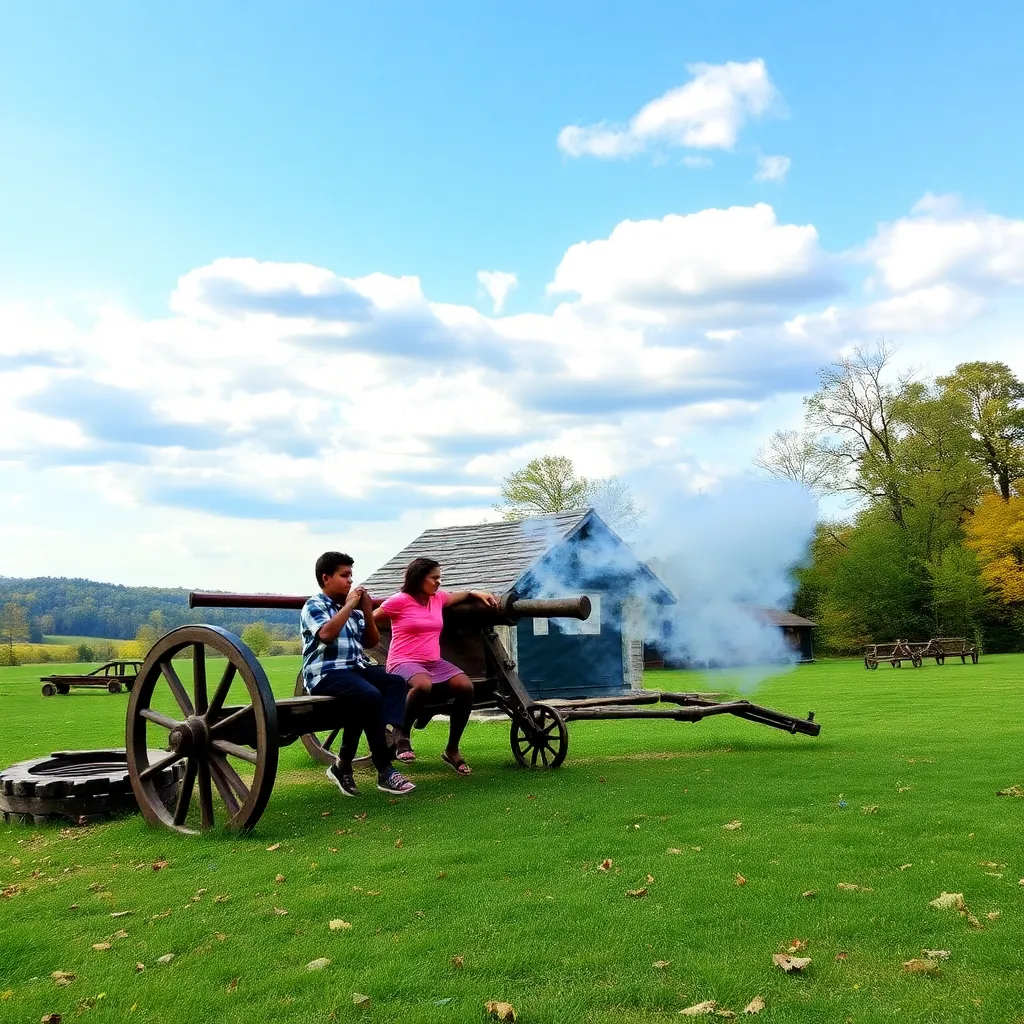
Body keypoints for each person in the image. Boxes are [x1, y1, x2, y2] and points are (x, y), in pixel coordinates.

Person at [300, 551, 415, 798]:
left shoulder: (352, 611)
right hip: (326, 674)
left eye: (351, 575)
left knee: (395, 682)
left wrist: (365, 610)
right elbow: (326, 635)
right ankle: (384, 769)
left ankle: (391, 735)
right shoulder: (314, 605)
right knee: (370, 696)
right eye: (344, 575)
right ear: (326, 578)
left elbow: (371, 641)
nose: (350, 580)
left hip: (356, 670)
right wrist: (352, 604)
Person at [374, 557, 498, 775]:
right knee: (422, 685)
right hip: (403, 660)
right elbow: (372, 619)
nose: (439, 582)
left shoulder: (437, 599)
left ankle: (452, 749)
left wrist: (476, 592)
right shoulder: (399, 601)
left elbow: (460, 595)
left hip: (433, 661)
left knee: (465, 687)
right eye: (434, 578)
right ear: (420, 578)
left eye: (440, 577)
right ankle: (401, 733)